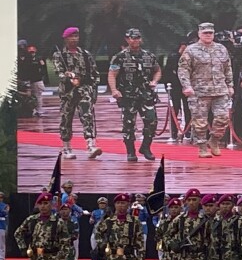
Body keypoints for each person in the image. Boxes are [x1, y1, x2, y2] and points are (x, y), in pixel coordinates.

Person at [178, 22, 234, 158]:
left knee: (223, 118)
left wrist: (230, 85)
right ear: (199, 34)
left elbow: (228, 68)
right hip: (199, 92)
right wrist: (187, 86)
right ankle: (202, 147)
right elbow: (183, 70)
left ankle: (214, 140)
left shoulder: (221, 49)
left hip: (220, 90)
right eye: (205, 33)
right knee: (200, 122)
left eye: (210, 33)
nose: (208, 35)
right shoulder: (191, 50)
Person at [108, 28, 161, 162]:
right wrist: (114, 90)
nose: (135, 40)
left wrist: (154, 81)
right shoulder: (119, 57)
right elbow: (112, 74)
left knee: (152, 121)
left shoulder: (148, 56)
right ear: (127, 39)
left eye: (137, 38)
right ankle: (130, 152)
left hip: (145, 95)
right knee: (128, 124)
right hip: (127, 96)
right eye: (132, 38)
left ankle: (146, 147)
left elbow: (157, 70)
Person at [53, 27, 102, 160]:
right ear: (65, 39)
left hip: (84, 90)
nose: (74, 39)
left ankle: (91, 145)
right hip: (67, 93)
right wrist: (68, 77)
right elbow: (59, 72)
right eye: (71, 36)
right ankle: (67, 147)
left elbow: (94, 73)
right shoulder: (59, 55)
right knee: (66, 119)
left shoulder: (85, 54)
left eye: (76, 36)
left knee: (87, 116)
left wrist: (92, 87)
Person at [163, 41, 191, 142]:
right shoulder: (173, 57)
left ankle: (188, 131)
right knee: (174, 109)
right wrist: (167, 86)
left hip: (186, 87)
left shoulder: (189, 57)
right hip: (174, 86)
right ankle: (173, 132)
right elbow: (168, 72)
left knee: (188, 109)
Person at [0, 191, 8, 260]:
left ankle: (1, 259)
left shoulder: (5, 205)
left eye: (1, 197)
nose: (0, 198)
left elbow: (4, 213)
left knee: (1, 243)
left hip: (1, 226)